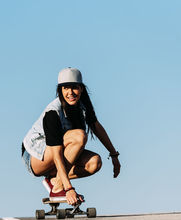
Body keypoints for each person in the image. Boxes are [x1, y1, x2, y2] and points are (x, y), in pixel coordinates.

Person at [22, 67, 121, 206]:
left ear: (81, 89)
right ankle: (58, 187)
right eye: (65, 88)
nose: (70, 93)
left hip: (58, 151)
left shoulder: (83, 106)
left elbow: (97, 128)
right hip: (35, 156)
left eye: (74, 88)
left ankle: (54, 181)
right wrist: (68, 188)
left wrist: (114, 155)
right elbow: (56, 152)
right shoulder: (53, 112)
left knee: (95, 163)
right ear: (60, 90)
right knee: (79, 136)